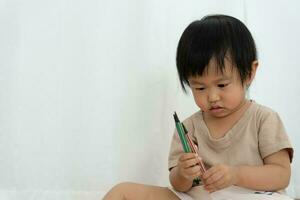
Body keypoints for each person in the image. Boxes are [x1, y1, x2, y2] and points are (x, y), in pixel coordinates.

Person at [102, 14, 293, 200]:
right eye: (199, 87)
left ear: (250, 73)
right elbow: (179, 186)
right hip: (200, 196)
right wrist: (183, 175)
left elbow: (281, 175)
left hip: (250, 195)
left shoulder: (264, 119)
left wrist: (236, 175)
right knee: (122, 191)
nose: (212, 97)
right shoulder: (188, 127)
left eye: (222, 85)